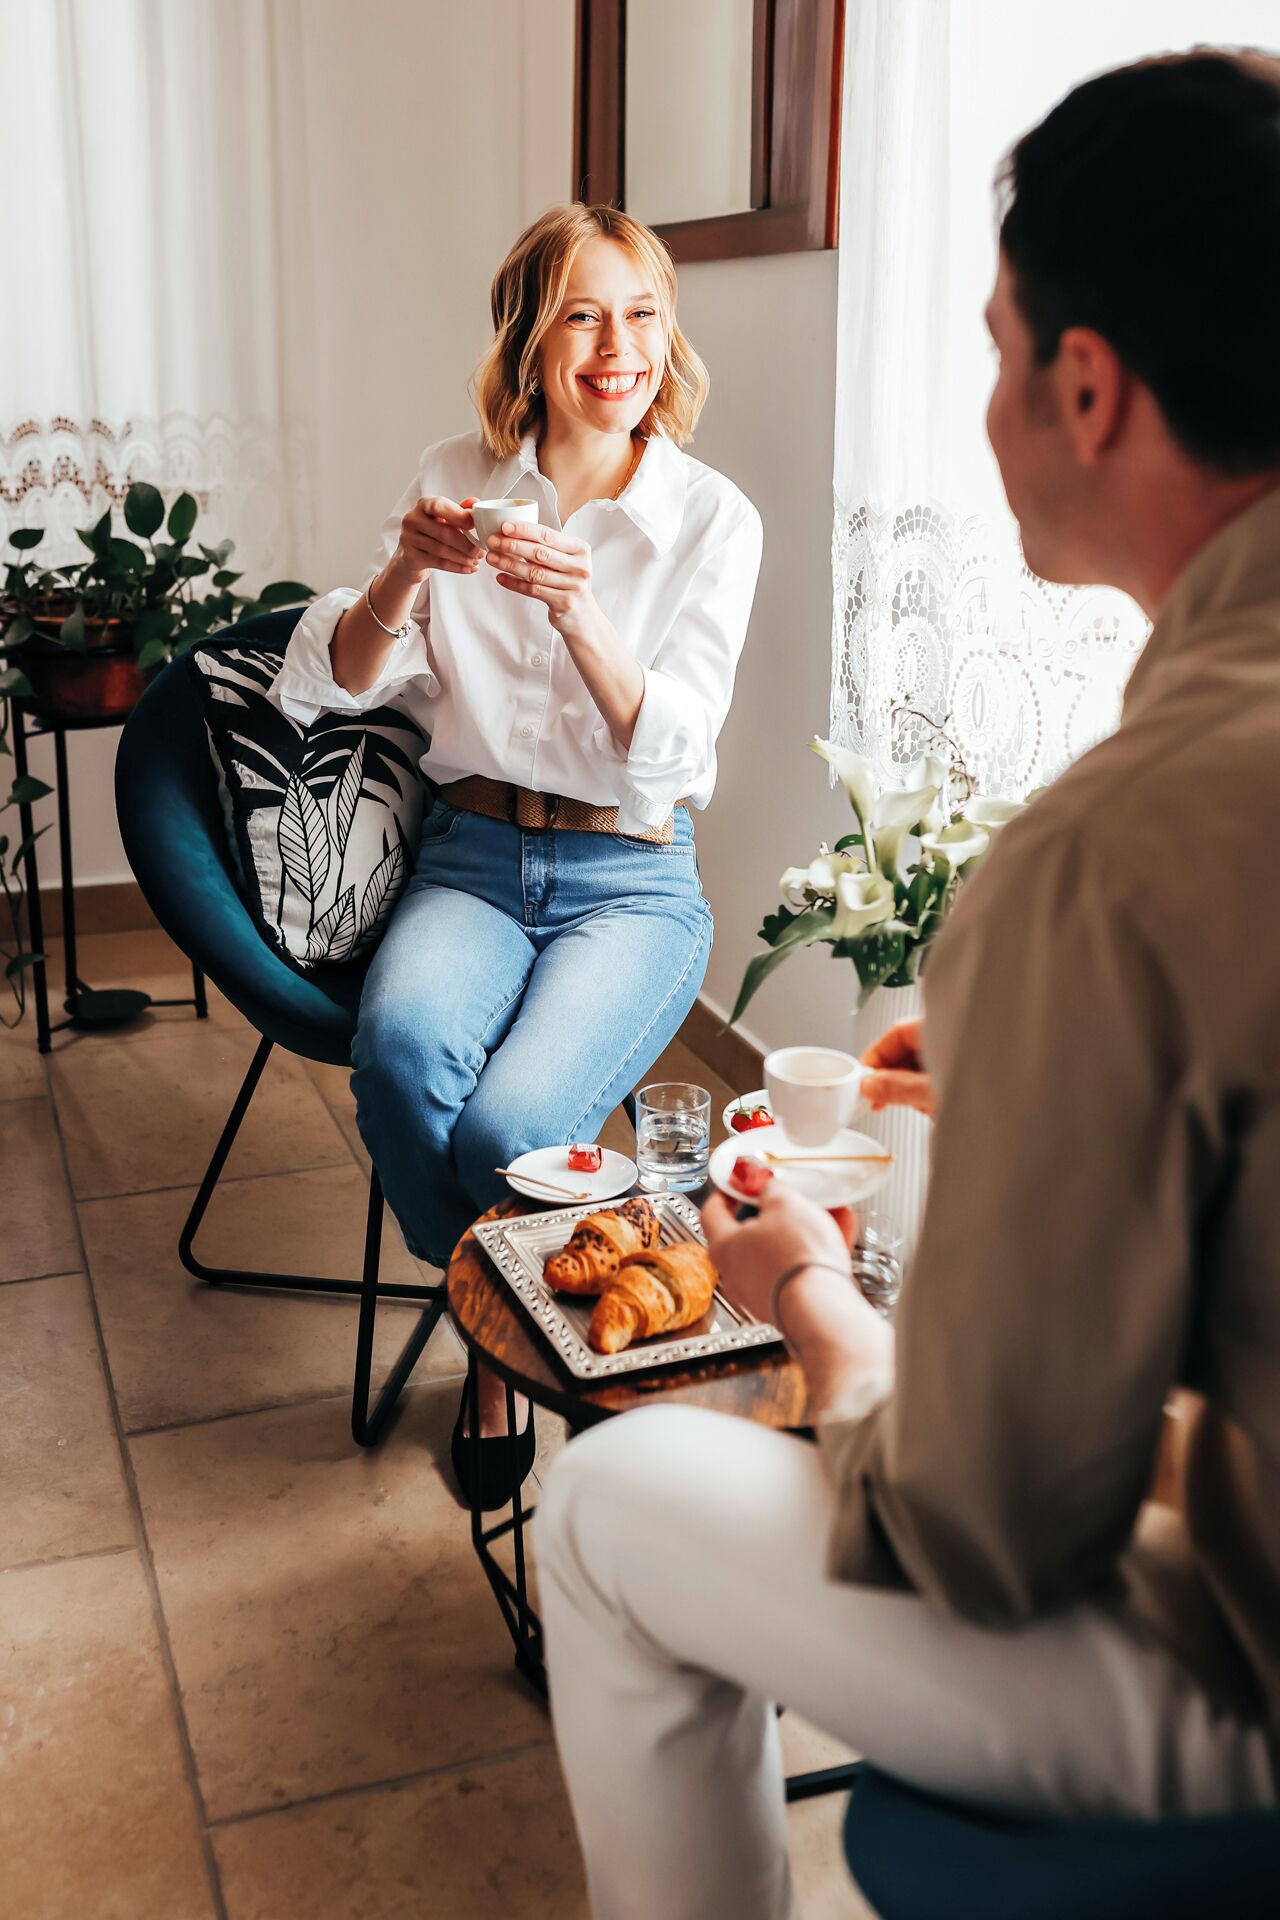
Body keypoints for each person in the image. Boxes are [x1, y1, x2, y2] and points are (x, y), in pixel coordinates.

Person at [534, 50, 1280, 1919]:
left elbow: (991, 1531)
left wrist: (810, 1314)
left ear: (1088, 388)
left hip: (1257, 1709)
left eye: (994, 348)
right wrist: (1077, 1085)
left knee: (614, 1508)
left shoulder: (1121, 847)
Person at [268, 205, 762, 1505]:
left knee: (510, 1128)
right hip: (472, 858)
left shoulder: (714, 520)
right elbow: (335, 681)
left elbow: (676, 757)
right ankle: (505, 1350)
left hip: (633, 886)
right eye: (584, 316)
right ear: (532, 343)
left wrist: (580, 612)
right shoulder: (458, 474)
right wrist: (402, 582)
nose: (620, 348)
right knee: (401, 1055)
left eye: (644, 313)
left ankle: (515, 1347)